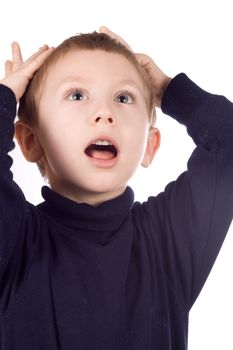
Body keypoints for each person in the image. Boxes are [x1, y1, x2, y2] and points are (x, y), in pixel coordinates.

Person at [0, 26, 232, 350]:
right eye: (77, 95)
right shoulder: (16, 241)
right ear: (30, 140)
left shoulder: (166, 242)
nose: (105, 113)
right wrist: (6, 98)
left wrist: (166, 90)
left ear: (149, 146)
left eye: (123, 97)